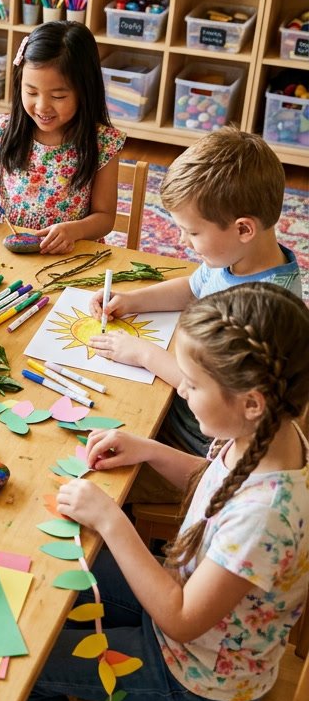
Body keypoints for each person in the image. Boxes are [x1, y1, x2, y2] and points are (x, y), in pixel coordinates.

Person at [0, 283, 309, 701]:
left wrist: (114, 521)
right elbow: (213, 482)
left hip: (198, 674)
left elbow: (182, 619)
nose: (183, 394)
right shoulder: (271, 436)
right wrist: (148, 450)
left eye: (191, 385)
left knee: (25, 667)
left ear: (252, 400)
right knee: (55, 580)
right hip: (194, 614)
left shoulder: (267, 514)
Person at [88, 127, 302, 459]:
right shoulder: (235, 257)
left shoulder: (264, 309)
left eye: (193, 232)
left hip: (201, 439)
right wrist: (132, 301)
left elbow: (203, 389)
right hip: (179, 402)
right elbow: (193, 287)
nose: (183, 243)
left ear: (243, 228)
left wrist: (144, 355)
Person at [0, 21, 124, 254]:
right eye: (31, 92)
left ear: (86, 90)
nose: (42, 106)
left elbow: (105, 218)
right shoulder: (5, 131)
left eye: (58, 96)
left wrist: (75, 230)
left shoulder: (101, 143)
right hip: (7, 247)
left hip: (67, 251)